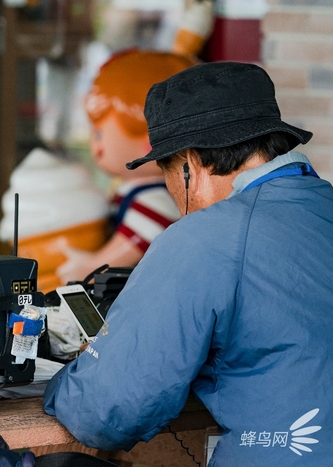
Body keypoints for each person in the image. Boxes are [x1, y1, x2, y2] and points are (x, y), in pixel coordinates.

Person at [43, 61, 333, 466]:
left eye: (164, 174)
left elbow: (108, 410)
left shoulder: (205, 239)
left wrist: (66, 380)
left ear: (188, 166)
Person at [56, 50, 194, 285]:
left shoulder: (155, 197)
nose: (95, 146)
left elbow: (132, 244)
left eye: (99, 134)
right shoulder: (132, 189)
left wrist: (91, 267)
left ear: (149, 140)